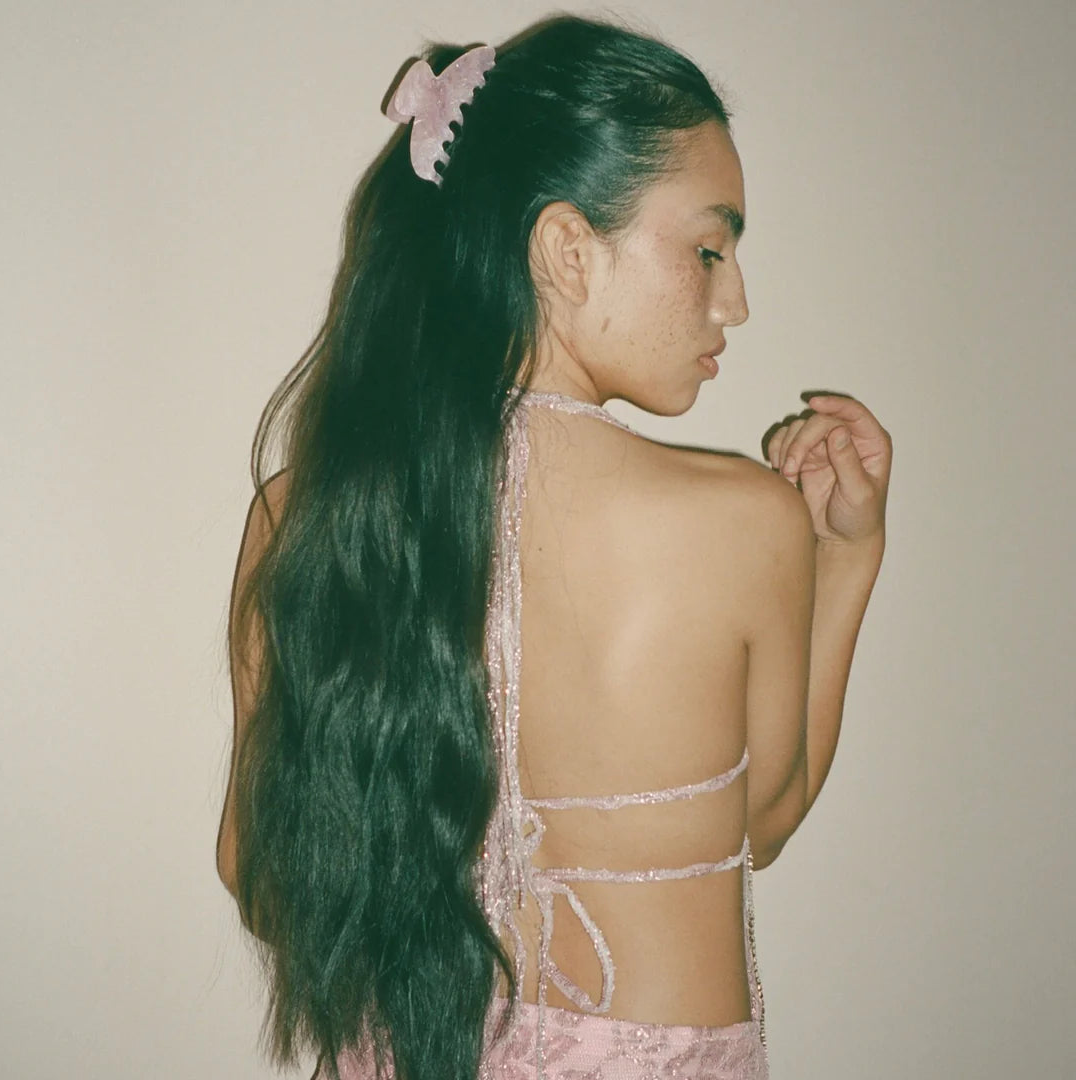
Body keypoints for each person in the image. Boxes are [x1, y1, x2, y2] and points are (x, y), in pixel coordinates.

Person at [215, 12, 891, 1080]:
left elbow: (260, 878)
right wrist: (847, 558)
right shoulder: (742, 519)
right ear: (567, 249)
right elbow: (762, 821)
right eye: (709, 248)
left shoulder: (301, 515)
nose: (735, 301)